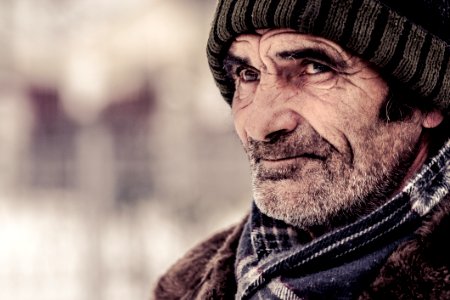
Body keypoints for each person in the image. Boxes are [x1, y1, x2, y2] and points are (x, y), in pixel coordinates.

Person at [154, 0, 450, 299]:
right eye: (247, 74)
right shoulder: (182, 288)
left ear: (426, 101)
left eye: (315, 68)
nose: (259, 125)